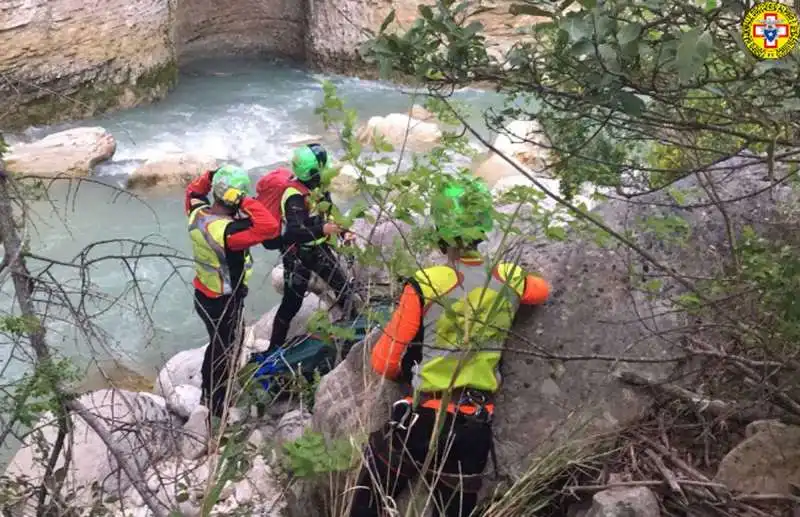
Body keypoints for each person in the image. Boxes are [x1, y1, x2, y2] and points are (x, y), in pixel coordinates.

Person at [349, 175, 551, 517]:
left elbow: (382, 362)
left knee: (368, 499)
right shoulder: (509, 279)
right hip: (474, 429)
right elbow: (541, 290)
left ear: (439, 230)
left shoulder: (427, 283)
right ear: (483, 228)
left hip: (422, 420)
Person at [186, 164, 279, 418]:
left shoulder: (197, 214)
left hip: (203, 295)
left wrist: (209, 176)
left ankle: (209, 392)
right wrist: (245, 200)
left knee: (217, 346)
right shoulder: (230, 233)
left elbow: (192, 192)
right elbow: (270, 227)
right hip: (225, 301)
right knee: (224, 353)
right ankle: (216, 407)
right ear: (235, 197)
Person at [257, 143, 357, 353]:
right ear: (314, 172)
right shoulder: (294, 196)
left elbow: (330, 212)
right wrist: (324, 229)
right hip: (298, 256)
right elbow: (295, 232)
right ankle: (274, 349)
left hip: (318, 251)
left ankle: (354, 336)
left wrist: (343, 230)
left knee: (345, 291)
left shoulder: (318, 190)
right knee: (291, 305)